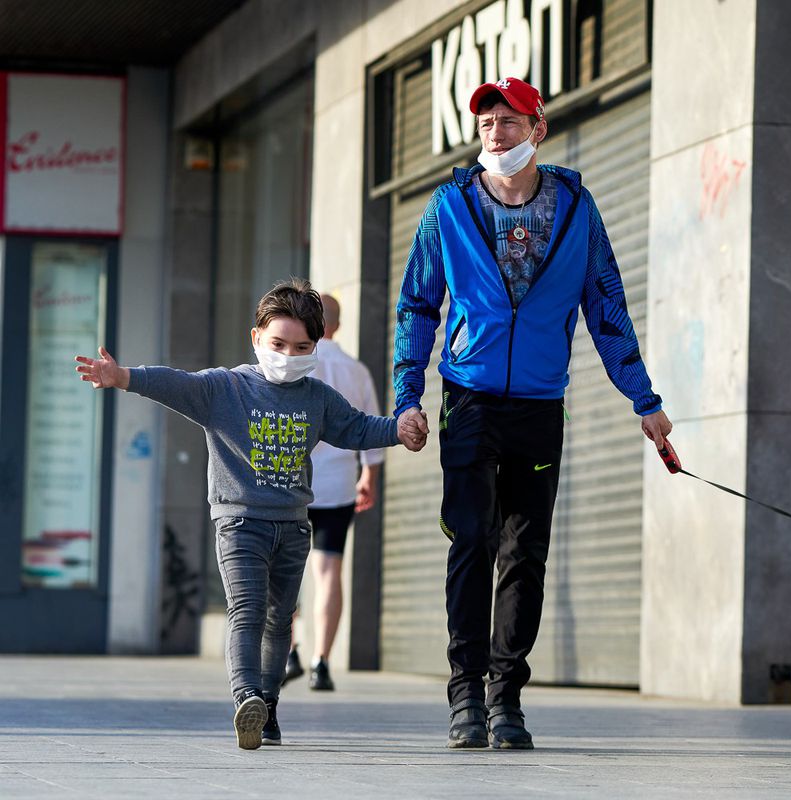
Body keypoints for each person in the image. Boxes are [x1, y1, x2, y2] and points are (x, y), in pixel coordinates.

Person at [392, 77, 672, 749]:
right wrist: (407, 396)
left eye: (509, 122)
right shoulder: (448, 207)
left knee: (525, 553)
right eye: (486, 123)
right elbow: (417, 305)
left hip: (541, 405)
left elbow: (607, 308)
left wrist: (645, 400)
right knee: (472, 542)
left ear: (537, 131)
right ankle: (464, 695)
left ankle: (506, 697)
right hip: (469, 396)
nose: (495, 133)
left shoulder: (577, 207)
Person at [74, 279, 403, 750]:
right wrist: (123, 376)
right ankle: (245, 696)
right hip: (240, 523)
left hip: (292, 526)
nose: (288, 355)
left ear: (318, 344)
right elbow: (174, 383)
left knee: (281, 620)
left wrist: (399, 430)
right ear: (256, 339)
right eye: (278, 344)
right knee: (246, 611)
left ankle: (266, 708)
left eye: (301, 346)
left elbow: (357, 427)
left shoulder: (317, 396)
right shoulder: (225, 388)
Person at [281, 293, 385, 691]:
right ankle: (321, 661)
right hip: (339, 485)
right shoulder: (355, 371)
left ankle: (288, 650)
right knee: (329, 572)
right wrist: (368, 477)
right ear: (338, 325)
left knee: (285, 570)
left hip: (293, 485)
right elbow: (370, 428)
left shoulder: (296, 367)